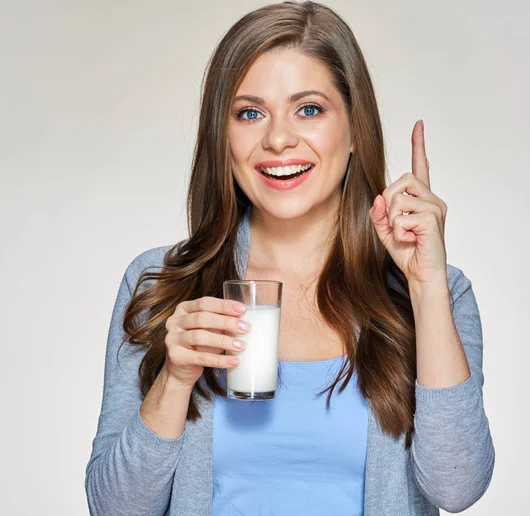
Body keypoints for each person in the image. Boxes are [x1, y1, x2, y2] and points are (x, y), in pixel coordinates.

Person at [85, 1, 495, 514]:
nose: (278, 138)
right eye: (250, 113)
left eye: (309, 109)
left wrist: (425, 288)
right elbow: (113, 507)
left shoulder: (437, 293)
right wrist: (174, 380)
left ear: (353, 129)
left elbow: (456, 488)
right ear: (223, 136)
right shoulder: (161, 285)